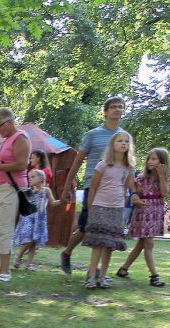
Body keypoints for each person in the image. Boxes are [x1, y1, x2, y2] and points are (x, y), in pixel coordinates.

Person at [60, 97, 127, 274]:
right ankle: (67, 253)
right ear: (105, 112)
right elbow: (77, 161)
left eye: (120, 107)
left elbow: (128, 164)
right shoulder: (92, 135)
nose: (117, 109)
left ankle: (96, 268)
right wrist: (67, 186)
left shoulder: (124, 137)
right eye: (113, 107)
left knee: (106, 230)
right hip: (94, 186)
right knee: (86, 226)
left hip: (114, 190)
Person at [82, 131, 138, 288]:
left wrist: (123, 204)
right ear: (113, 144)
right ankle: (92, 276)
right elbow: (93, 187)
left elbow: (126, 187)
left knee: (110, 244)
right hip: (100, 207)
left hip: (116, 209)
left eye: (126, 141)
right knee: (98, 243)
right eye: (120, 140)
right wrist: (91, 207)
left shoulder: (128, 168)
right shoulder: (103, 164)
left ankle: (104, 276)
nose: (123, 143)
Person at [0, 107, 30, 283]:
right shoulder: (7, 140)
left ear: (9, 122)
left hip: (9, 189)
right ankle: (1, 268)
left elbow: (22, 165)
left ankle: (5, 271)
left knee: (5, 229)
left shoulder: (20, 138)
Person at [116, 147, 170, 286]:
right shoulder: (141, 177)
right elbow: (133, 189)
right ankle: (154, 276)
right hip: (144, 211)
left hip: (156, 211)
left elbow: (164, 193)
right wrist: (135, 198)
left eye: (154, 159)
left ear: (162, 162)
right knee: (148, 243)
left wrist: (161, 176)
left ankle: (123, 269)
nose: (150, 161)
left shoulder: (164, 178)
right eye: (149, 159)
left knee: (141, 244)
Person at [13, 169, 54, 270]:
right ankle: (18, 257)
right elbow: (23, 202)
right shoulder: (29, 191)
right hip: (28, 218)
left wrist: (62, 201)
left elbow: (53, 202)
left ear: (41, 179)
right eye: (29, 177)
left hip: (39, 219)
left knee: (34, 241)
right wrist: (33, 192)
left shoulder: (46, 191)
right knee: (28, 240)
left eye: (33, 177)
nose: (30, 179)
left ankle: (29, 263)